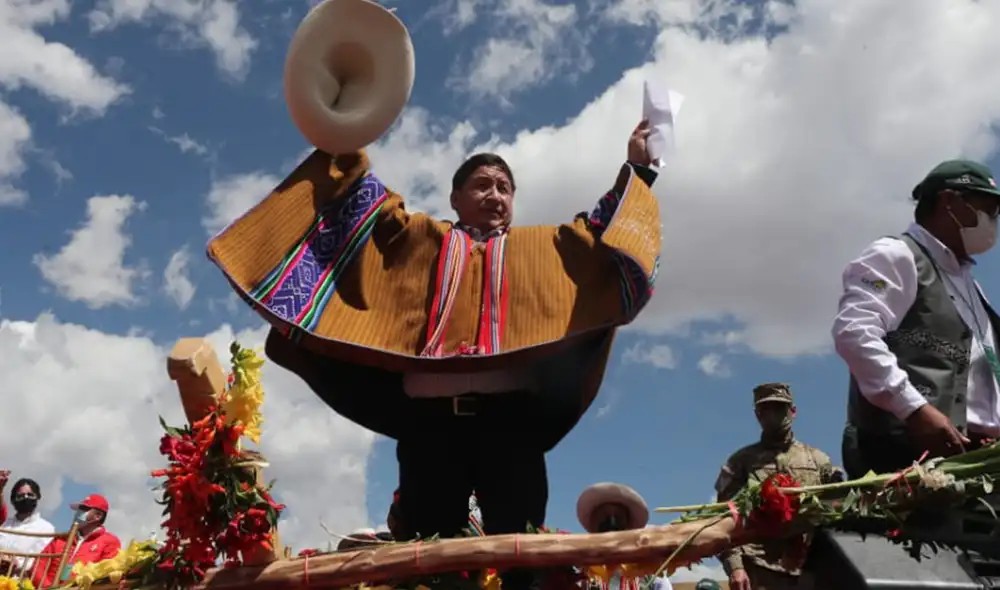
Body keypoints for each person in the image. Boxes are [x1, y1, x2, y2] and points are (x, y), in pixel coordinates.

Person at [207, 117, 662, 571]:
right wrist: (342, 139)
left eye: (505, 187)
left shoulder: (544, 250)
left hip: (511, 429)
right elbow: (362, 205)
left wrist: (638, 171)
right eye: (482, 185)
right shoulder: (418, 242)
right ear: (456, 199)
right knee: (427, 561)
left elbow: (600, 235)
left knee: (522, 558)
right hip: (429, 430)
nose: (495, 195)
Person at [833, 160, 1000, 478]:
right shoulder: (896, 256)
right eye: (988, 210)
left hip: (981, 465)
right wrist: (914, 409)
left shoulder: (973, 288)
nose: (993, 222)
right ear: (950, 202)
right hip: (913, 463)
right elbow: (854, 333)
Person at [713, 384, 842, 590]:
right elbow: (721, 518)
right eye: (765, 409)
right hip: (759, 570)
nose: (772, 415)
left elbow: (837, 515)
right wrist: (735, 567)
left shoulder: (819, 461)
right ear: (757, 414)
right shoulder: (740, 462)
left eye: (779, 408)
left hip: (808, 572)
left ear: (793, 411)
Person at [30, 494, 121, 588]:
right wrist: (48, 588)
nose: (78, 512)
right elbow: (38, 565)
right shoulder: (61, 539)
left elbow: (106, 575)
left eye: (84, 508)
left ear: (98, 516)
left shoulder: (110, 542)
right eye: (78, 509)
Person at [0, 478, 54, 574]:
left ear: (37, 497)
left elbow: (39, 561)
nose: (25, 498)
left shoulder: (46, 528)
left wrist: (17, 564)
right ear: (13, 500)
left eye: (30, 495)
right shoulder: (6, 524)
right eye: (20, 496)